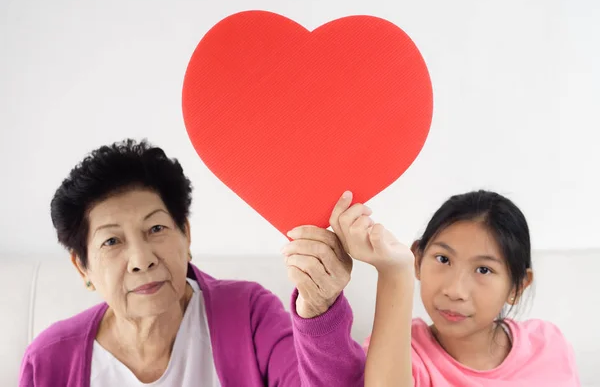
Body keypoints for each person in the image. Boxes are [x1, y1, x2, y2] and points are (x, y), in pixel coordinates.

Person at [18, 139, 365, 387]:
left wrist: (320, 308)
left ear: (185, 234)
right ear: (83, 268)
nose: (141, 259)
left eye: (156, 228)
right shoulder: (49, 361)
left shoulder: (248, 313)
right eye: (112, 241)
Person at [330, 190, 580, 386]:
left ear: (517, 286)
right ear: (418, 259)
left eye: (484, 270)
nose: (455, 291)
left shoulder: (547, 346)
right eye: (443, 259)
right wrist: (394, 272)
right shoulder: (400, 353)